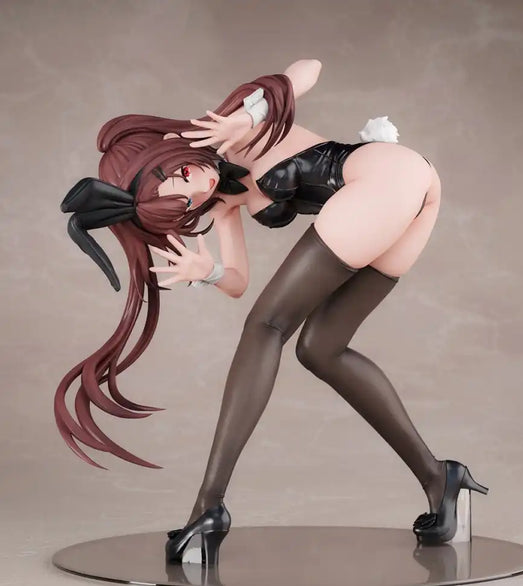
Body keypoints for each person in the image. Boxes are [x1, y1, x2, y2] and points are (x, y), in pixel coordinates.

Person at [56, 59, 487, 565]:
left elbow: (309, 68)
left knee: (266, 328)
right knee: (320, 349)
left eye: (180, 174)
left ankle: (208, 505)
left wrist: (249, 114)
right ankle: (440, 478)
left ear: (169, 152)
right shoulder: (222, 201)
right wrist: (207, 271)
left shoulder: (228, 129)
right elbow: (238, 282)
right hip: (411, 193)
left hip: (384, 177)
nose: (196, 185)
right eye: (183, 201)